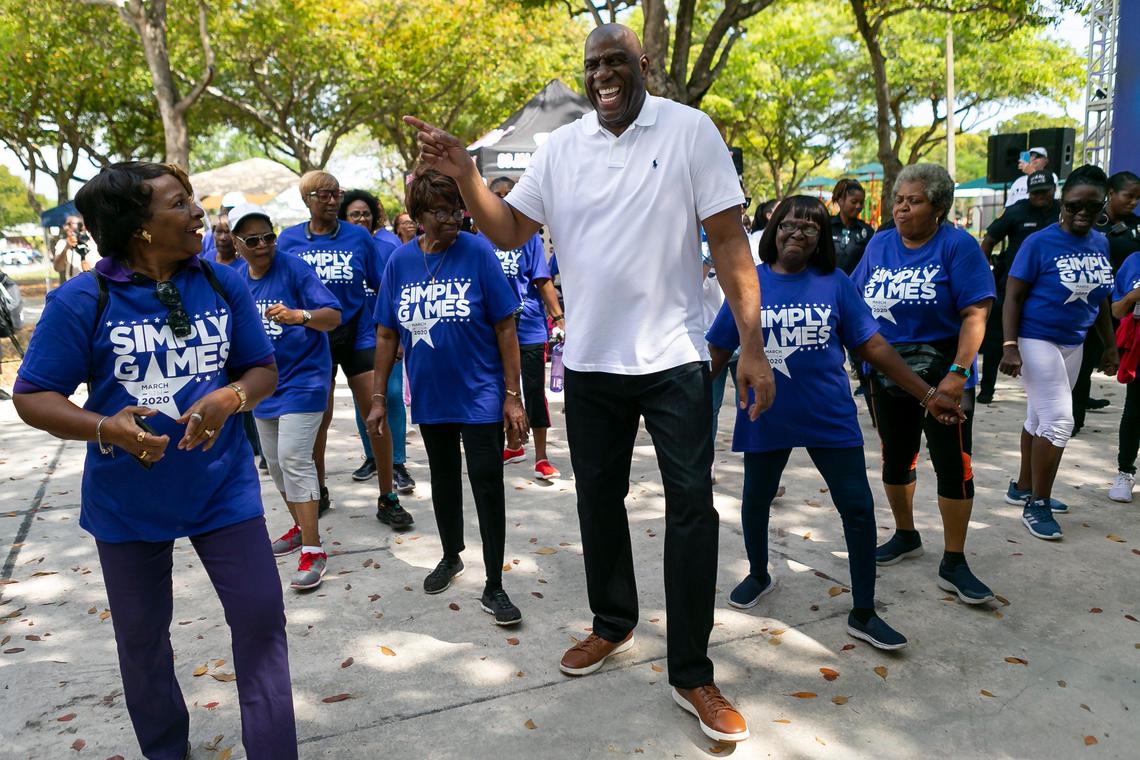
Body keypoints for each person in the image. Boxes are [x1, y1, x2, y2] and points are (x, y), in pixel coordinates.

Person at [404, 23, 775, 744]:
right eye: (592, 65)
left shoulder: (691, 130)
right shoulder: (562, 147)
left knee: (691, 508)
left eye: (615, 62)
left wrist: (751, 344)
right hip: (592, 361)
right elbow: (510, 232)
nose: (603, 74)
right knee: (599, 502)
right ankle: (613, 623)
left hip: (674, 356)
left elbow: (729, 240)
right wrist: (464, 173)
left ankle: (693, 671)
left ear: (642, 64)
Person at [12, 162, 295, 759]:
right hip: (127, 502)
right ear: (140, 228)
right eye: (179, 203)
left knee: (262, 624)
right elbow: (33, 396)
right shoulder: (81, 300)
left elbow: (261, 369)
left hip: (224, 491)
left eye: (192, 200)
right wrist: (103, 428)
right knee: (141, 643)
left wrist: (231, 396)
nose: (198, 212)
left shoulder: (223, 283)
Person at [708, 196, 964, 650]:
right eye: (789, 225)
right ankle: (759, 573)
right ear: (773, 230)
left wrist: (927, 394)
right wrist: (677, 401)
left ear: (822, 238)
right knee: (756, 498)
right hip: (765, 413)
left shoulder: (837, 283)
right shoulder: (750, 284)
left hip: (830, 415)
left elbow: (874, 347)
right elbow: (718, 351)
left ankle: (863, 610)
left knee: (858, 508)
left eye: (810, 228)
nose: (797, 234)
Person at [368, 169, 526, 625]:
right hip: (432, 397)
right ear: (418, 216)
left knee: (486, 484)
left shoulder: (477, 251)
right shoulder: (399, 262)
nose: (453, 217)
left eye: (456, 208)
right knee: (443, 480)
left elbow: (505, 325)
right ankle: (451, 555)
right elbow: (384, 334)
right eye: (440, 211)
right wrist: (379, 398)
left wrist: (512, 395)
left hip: (479, 394)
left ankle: (494, 583)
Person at [851, 163, 996, 605]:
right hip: (889, 372)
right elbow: (854, 300)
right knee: (896, 457)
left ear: (939, 207)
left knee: (953, 462)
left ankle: (954, 560)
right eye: (898, 200)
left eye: (913, 201)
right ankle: (905, 533)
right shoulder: (879, 245)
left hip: (945, 370)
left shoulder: (958, 247)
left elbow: (976, 314)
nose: (901, 209)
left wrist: (960, 373)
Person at [277, 171, 413, 528]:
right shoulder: (288, 240)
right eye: (324, 194)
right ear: (307, 199)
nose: (333, 199)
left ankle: (388, 497)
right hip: (313, 339)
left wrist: (393, 336)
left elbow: (382, 287)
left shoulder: (357, 237)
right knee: (316, 421)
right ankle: (318, 491)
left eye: (336, 193)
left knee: (376, 415)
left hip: (358, 333)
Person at [999, 165, 1119, 539]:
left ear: (1103, 204)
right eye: (1072, 206)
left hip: (1074, 341)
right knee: (1060, 422)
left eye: (1091, 205)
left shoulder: (1101, 242)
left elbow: (1101, 299)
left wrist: (1111, 345)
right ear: (1061, 203)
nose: (1081, 212)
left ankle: (1023, 487)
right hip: (1038, 339)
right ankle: (1039, 503)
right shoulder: (1040, 243)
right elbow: (1013, 296)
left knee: (1039, 418)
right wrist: (1010, 345)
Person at [232, 203, 342, 590]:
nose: (262, 245)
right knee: (275, 466)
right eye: (252, 239)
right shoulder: (233, 279)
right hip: (263, 386)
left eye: (268, 237)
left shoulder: (294, 268)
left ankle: (313, 549)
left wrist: (300, 316)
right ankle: (300, 525)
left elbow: (333, 315)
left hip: (305, 381)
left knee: (295, 459)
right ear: (236, 243)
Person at [482, 176, 565, 480]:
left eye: (509, 193)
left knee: (532, 390)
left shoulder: (528, 237)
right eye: (497, 194)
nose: (503, 198)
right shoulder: (479, 239)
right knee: (496, 388)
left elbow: (542, 281)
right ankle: (512, 444)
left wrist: (558, 319)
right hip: (490, 328)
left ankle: (541, 456)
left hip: (528, 326)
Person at [338, 189, 416, 493]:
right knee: (365, 402)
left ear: (375, 217)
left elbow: (397, 291)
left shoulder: (388, 244)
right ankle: (373, 457)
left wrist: (398, 338)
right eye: (354, 214)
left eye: (365, 213)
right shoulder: (342, 246)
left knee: (392, 396)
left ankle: (397, 463)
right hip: (357, 338)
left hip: (387, 334)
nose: (360, 219)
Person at [977, 171, 1061, 403]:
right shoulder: (1016, 211)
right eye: (1035, 193)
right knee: (996, 341)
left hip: (1049, 286)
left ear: (1054, 190)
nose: (1040, 196)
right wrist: (985, 273)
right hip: (1012, 285)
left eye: (1044, 191)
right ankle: (987, 388)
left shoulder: (1064, 211)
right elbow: (989, 240)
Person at [1069, 171, 1140, 432]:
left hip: (1125, 305)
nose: (1133, 202)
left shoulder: (1137, 225)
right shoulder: (1092, 223)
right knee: (1083, 362)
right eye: (1128, 196)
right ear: (1111, 193)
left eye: (1137, 198)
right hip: (1091, 301)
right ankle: (1074, 420)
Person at [830, 179, 874, 275]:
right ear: (840, 201)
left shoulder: (867, 231)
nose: (858, 206)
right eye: (854, 202)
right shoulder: (826, 226)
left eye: (861, 202)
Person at [52, 214, 100, 282]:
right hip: (74, 289)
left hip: (95, 287)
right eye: (65, 224)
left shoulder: (95, 241)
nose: (65, 227)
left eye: (69, 224)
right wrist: (66, 248)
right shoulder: (62, 243)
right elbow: (58, 268)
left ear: (82, 225)